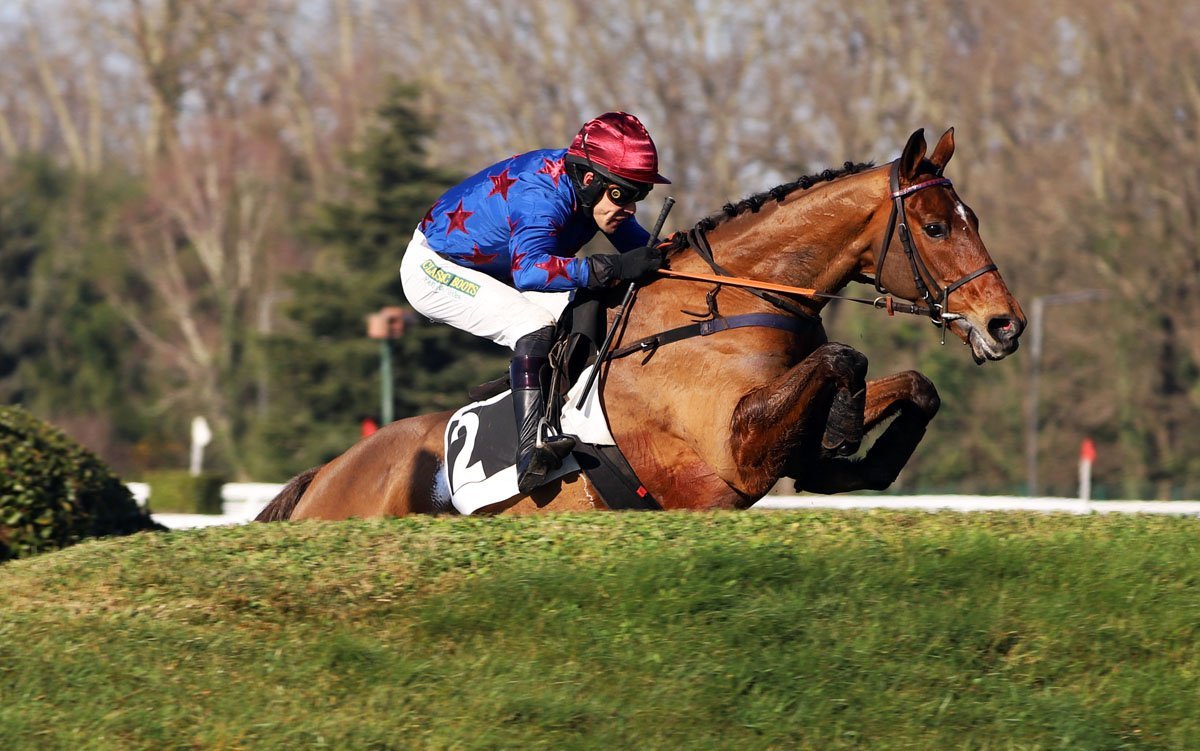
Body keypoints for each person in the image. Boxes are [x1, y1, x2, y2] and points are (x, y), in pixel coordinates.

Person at [400, 111, 670, 493]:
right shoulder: (541, 197)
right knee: (533, 325)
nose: (630, 208)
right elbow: (530, 271)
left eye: (639, 195)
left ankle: (537, 391)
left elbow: (644, 253)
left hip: (497, 268)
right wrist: (609, 267)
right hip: (434, 267)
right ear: (590, 180)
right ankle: (530, 452)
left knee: (592, 304)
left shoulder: (594, 192)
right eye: (622, 194)